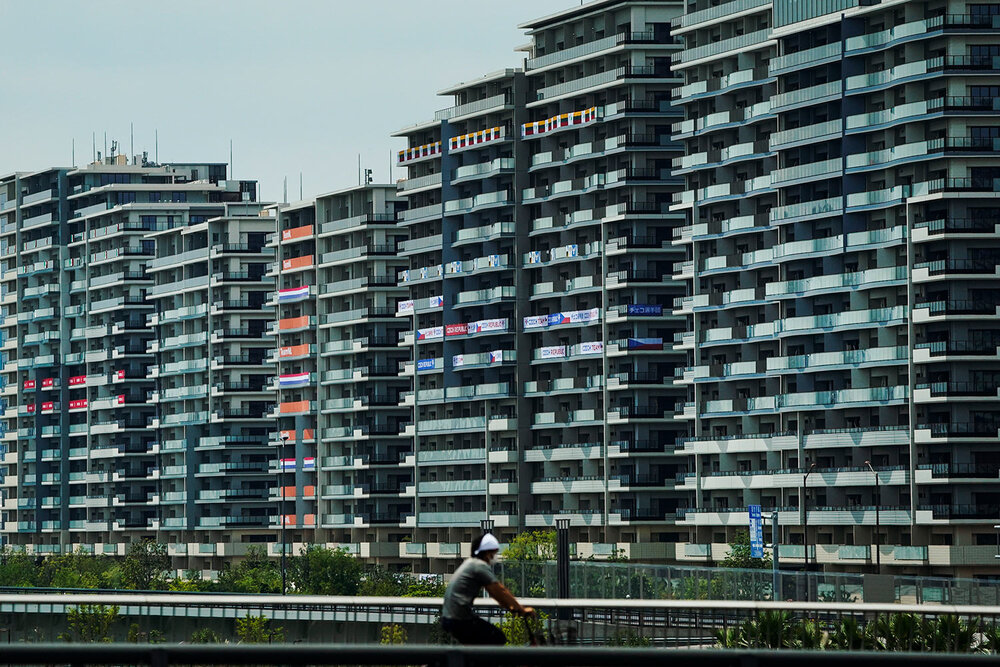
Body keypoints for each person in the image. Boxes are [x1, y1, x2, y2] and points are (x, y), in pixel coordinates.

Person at [441, 533, 535, 645]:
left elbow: (496, 594)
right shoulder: (479, 566)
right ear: (486, 553)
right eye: (493, 553)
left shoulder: (470, 563)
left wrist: (511, 607)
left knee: (480, 644)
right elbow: (500, 591)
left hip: (451, 616)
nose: (494, 557)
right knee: (497, 638)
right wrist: (521, 609)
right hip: (459, 618)